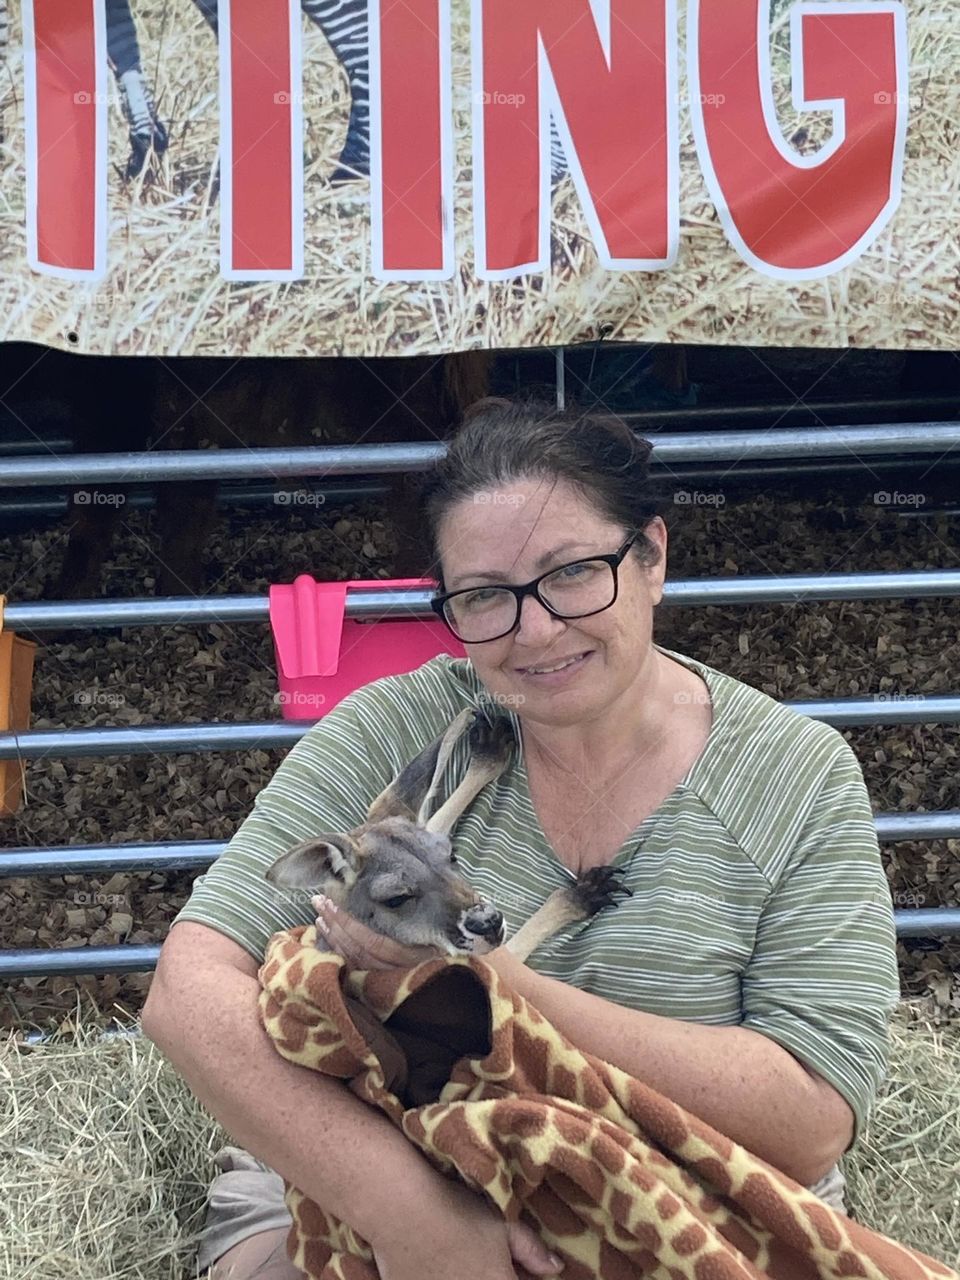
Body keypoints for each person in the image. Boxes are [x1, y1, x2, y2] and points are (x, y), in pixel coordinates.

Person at [142, 396, 901, 1280]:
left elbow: (809, 1125)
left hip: (680, 1188)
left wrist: (498, 988)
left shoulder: (793, 777)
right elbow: (187, 988)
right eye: (484, 596)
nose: (534, 630)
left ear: (652, 555)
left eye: (573, 572)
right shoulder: (393, 728)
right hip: (369, 1163)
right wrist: (411, 1214)